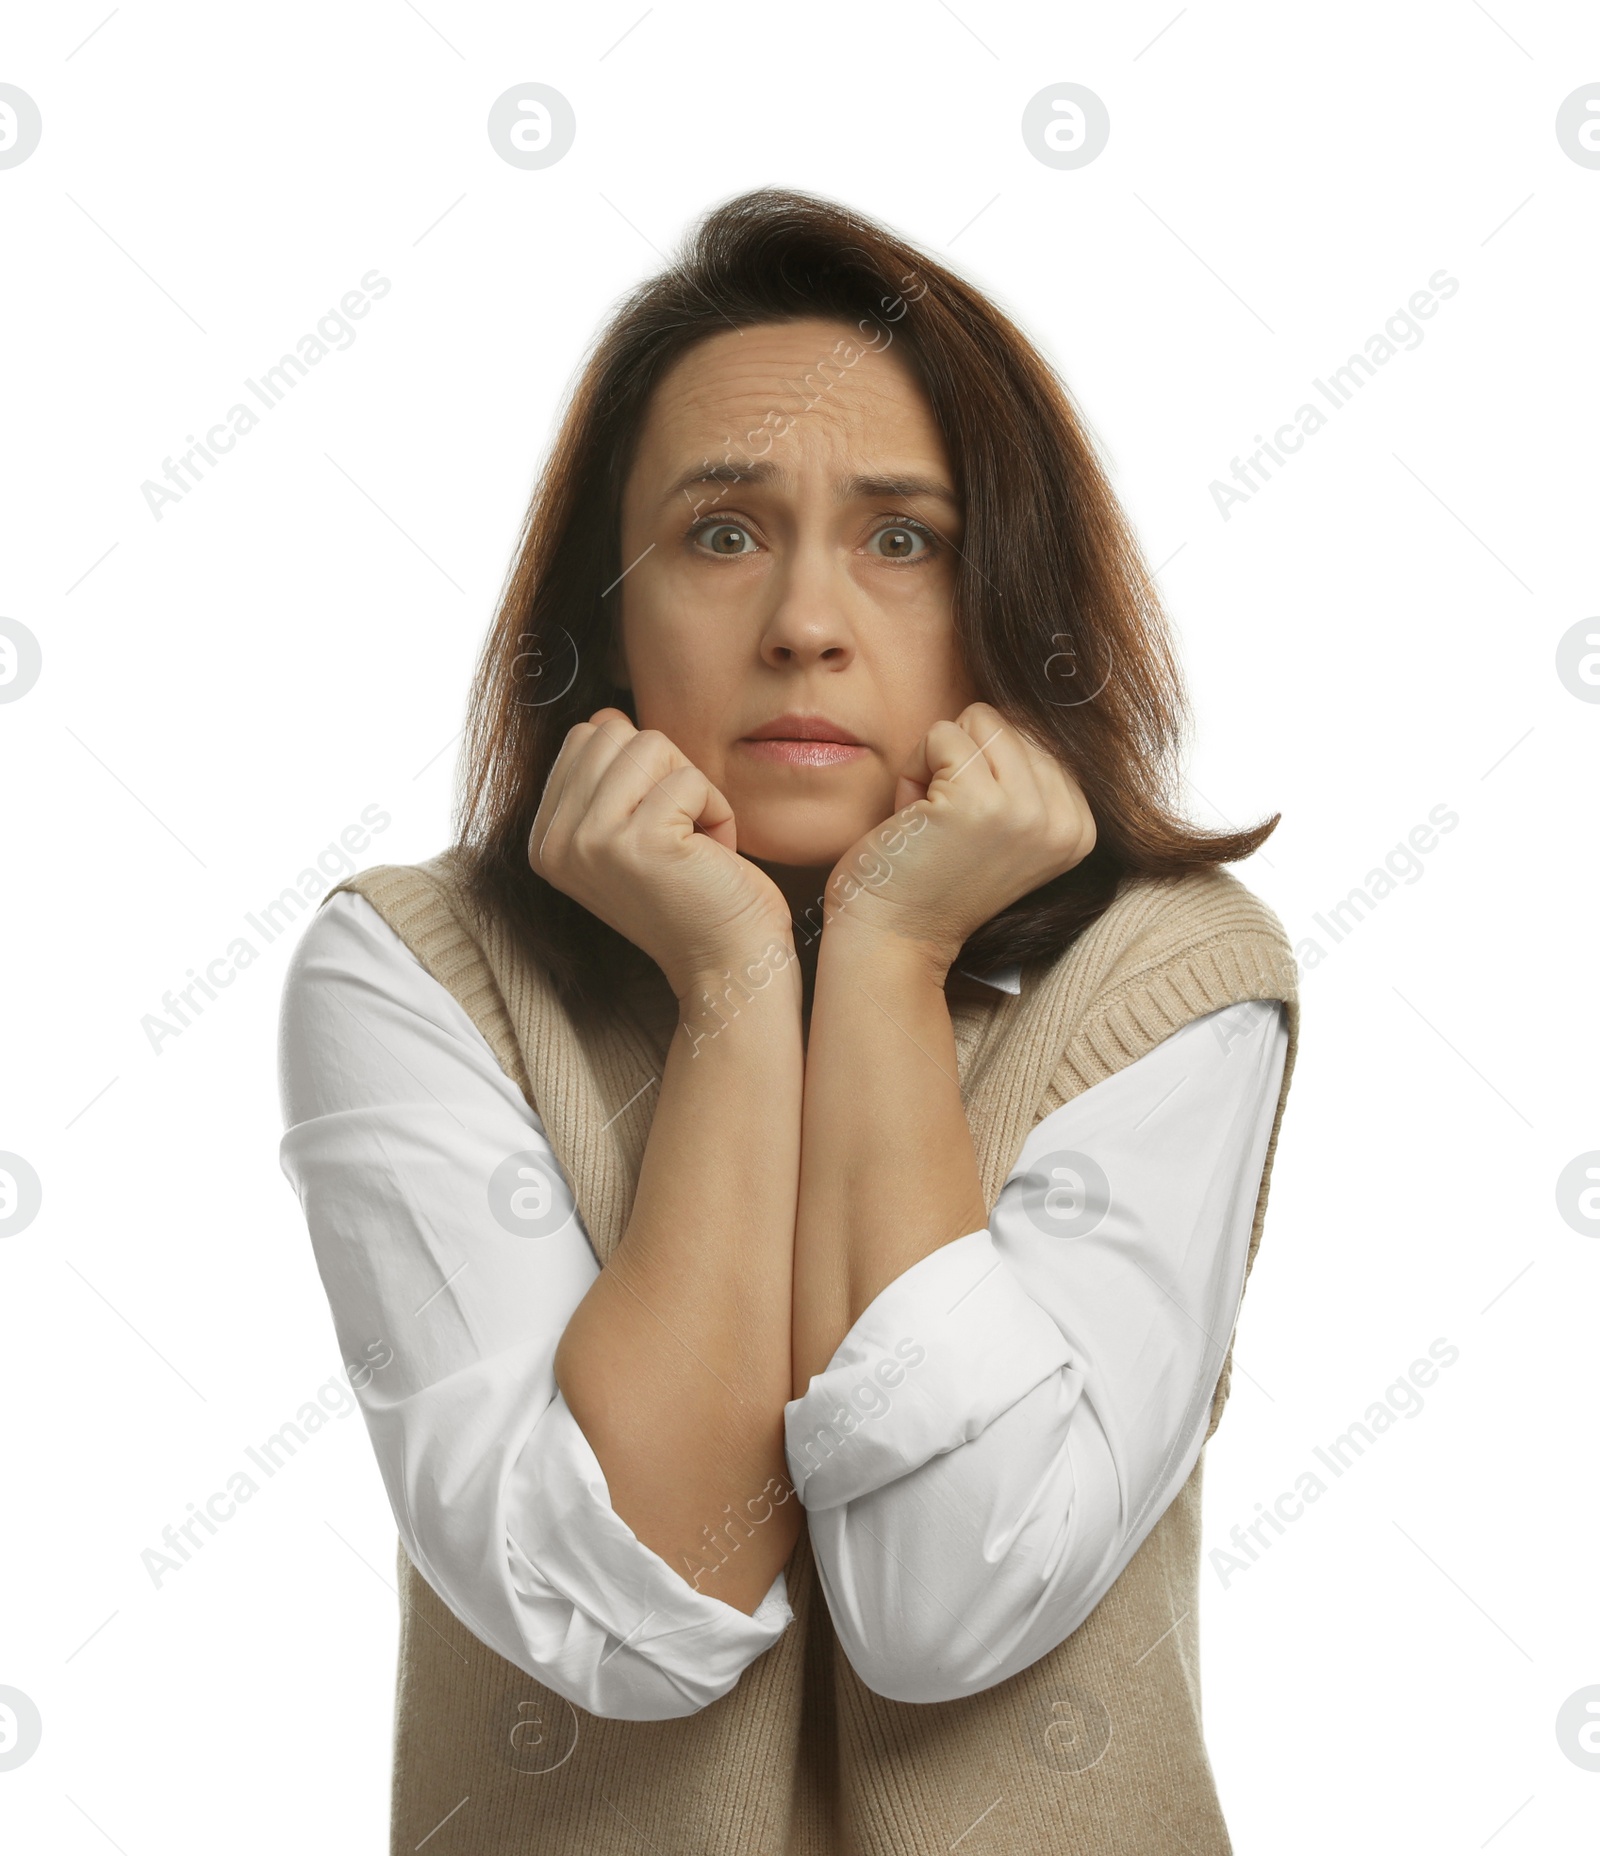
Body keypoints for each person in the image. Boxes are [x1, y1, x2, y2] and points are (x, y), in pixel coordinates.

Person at [277, 186, 1299, 1855]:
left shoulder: (1166, 972)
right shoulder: (414, 968)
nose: (807, 625)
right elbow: (632, 1603)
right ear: (605, 614)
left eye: (903, 540)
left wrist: (887, 951)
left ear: (1005, 600)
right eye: (723, 532)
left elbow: (945, 1601)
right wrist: (737, 984)